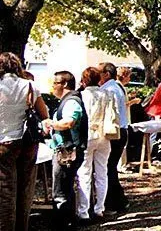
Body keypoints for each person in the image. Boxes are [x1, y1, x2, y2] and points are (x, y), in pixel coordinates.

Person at [0, 52, 49, 231]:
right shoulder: (30, 86)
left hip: (3, 142)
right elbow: (44, 114)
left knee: (5, 192)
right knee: (25, 188)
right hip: (27, 142)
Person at [44, 71, 88, 229]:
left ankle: (63, 224)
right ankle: (68, 221)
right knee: (65, 189)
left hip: (67, 152)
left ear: (64, 84)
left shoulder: (71, 102)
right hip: (63, 149)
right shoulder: (66, 101)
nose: (52, 87)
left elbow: (69, 122)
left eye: (55, 83)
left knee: (61, 192)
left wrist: (50, 123)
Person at [75, 67, 114, 223]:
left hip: (87, 136)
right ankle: (99, 208)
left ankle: (83, 211)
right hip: (104, 135)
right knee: (102, 172)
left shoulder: (82, 96)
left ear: (84, 80)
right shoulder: (107, 94)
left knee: (84, 173)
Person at [97, 62, 129, 213]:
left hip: (115, 132)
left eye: (100, 72)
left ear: (107, 74)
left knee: (108, 168)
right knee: (110, 168)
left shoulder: (108, 90)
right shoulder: (116, 87)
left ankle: (114, 202)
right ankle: (119, 200)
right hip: (120, 130)